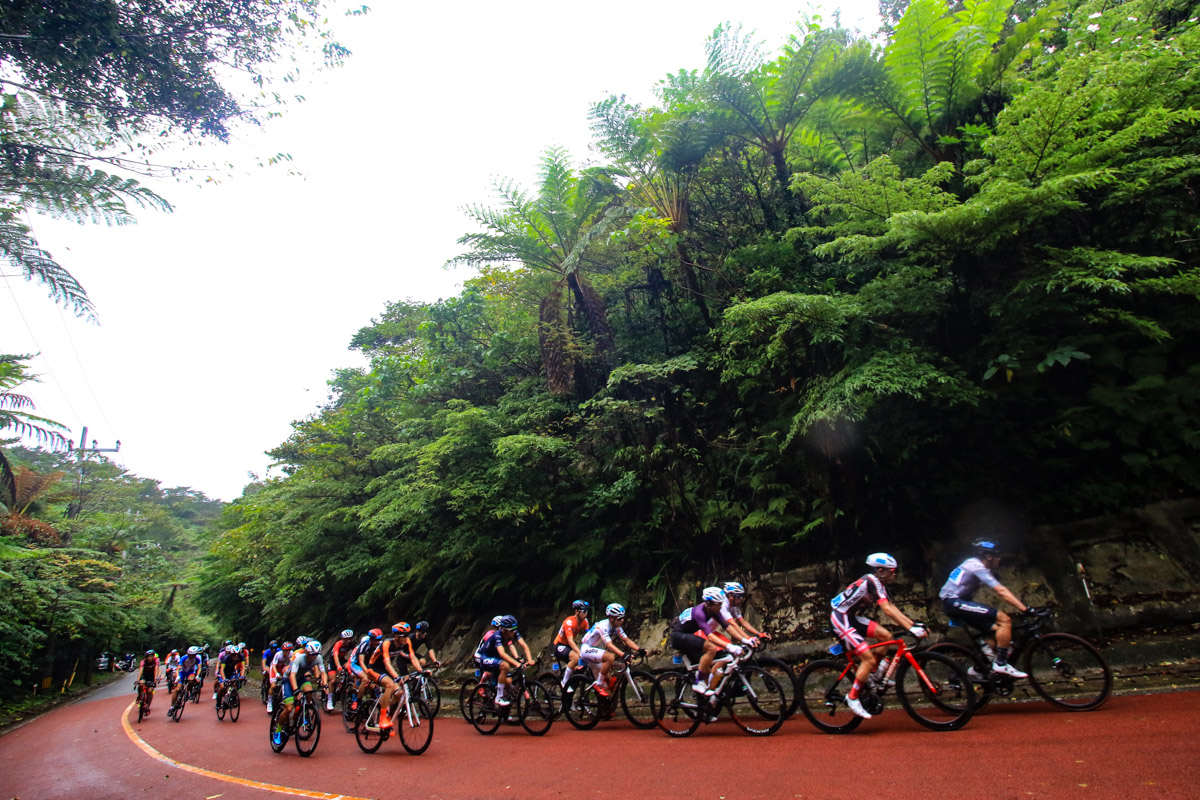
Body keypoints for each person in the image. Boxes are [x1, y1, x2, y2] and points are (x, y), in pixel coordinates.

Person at [830, 553, 928, 719]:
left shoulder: (879, 584)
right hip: (841, 618)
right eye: (891, 571)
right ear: (881, 570)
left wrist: (913, 625)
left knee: (887, 637)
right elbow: (887, 611)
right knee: (867, 658)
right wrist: (911, 628)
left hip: (852, 617)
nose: (894, 574)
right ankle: (852, 697)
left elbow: (891, 606)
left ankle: (875, 674)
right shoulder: (871, 581)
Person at [940, 539, 1030, 679]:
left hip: (956, 602)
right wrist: (1025, 609)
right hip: (953, 602)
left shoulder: (976, 565)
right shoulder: (976, 566)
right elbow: (1001, 591)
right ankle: (1000, 664)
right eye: (997, 556)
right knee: (1004, 620)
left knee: (995, 631)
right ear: (989, 557)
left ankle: (978, 668)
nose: (999, 559)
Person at [668, 586, 756, 696]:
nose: (721, 606)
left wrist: (745, 640)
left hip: (688, 635)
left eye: (721, 603)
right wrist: (730, 646)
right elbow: (709, 636)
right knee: (711, 648)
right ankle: (699, 682)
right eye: (718, 604)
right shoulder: (699, 613)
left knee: (710, 661)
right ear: (709, 604)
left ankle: (708, 693)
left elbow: (727, 627)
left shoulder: (714, 610)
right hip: (678, 636)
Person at [577, 603, 645, 696]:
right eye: (620, 618)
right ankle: (599, 684)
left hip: (598, 652)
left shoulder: (617, 627)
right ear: (612, 618)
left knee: (610, 683)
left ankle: (607, 709)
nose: (622, 620)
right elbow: (609, 645)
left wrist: (640, 649)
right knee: (610, 657)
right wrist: (623, 655)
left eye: (623, 618)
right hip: (587, 649)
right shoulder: (602, 626)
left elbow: (626, 640)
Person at [273, 641, 327, 745]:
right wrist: (296, 690)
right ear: (307, 653)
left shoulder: (318, 658)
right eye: (312, 655)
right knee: (289, 707)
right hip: (288, 680)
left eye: (316, 654)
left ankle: (304, 711)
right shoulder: (299, 659)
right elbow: (292, 676)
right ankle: (278, 730)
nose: (315, 657)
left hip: (301, 678)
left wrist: (325, 685)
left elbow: (323, 672)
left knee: (309, 692)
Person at [473, 615, 532, 707]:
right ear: (504, 630)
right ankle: (498, 697)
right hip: (484, 657)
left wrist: (530, 659)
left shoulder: (512, 632)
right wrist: (516, 663)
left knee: (508, 682)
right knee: (505, 666)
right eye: (512, 630)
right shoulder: (496, 635)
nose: (514, 632)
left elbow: (523, 645)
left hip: (495, 657)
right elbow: (502, 653)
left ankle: (503, 712)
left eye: (515, 629)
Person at [371, 622, 418, 729]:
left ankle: (389, 717)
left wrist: (421, 671)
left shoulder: (406, 642)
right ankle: (382, 718)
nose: (407, 638)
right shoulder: (387, 644)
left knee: (400, 693)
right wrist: (397, 677)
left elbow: (413, 657)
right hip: (374, 668)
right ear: (396, 637)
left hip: (385, 670)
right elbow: (387, 664)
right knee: (389, 685)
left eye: (407, 635)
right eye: (404, 636)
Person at [554, 600, 590, 690]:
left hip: (568, 646)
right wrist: (580, 652)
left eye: (587, 611)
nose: (586, 614)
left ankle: (573, 678)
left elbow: (589, 637)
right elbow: (570, 641)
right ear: (576, 612)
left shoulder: (585, 622)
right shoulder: (569, 622)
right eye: (584, 611)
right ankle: (564, 682)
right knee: (576, 657)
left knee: (583, 661)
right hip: (559, 645)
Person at [325, 629, 356, 711]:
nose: (348, 641)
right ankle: (329, 700)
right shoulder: (338, 644)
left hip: (342, 659)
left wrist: (349, 663)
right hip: (333, 661)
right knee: (333, 681)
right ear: (342, 639)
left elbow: (354, 654)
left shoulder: (351, 644)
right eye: (346, 639)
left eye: (349, 639)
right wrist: (338, 666)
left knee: (351, 673)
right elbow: (335, 656)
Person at [169, 646, 203, 717]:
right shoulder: (184, 657)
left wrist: (197, 676)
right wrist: (177, 677)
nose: (191, 657)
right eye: (190, 655)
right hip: (182, 672)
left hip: (191, 672)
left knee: (191, 681)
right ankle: (171, 707)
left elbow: (199, 668)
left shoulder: (198, 658)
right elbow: (178, 669)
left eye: (193, 655)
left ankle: (187, 690)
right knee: (177, 689)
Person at [266, 641, 295, 713]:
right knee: (273, 686)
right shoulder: (278, 655)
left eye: (289, 650)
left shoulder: (292, 653)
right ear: (283, 650)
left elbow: (292, 663)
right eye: (286, 650)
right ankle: (269, 702)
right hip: (274, 668)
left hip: (282, 666)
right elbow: (274, 665)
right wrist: (276, 673)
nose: (288, 652)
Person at [215, 644, 246, 708]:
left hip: (231, 672)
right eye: (234, 655)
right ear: (230, 654)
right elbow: (221, 670)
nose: (236, 656)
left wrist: (242, 675)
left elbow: (243, 667)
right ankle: (218, 702)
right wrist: (224, 679)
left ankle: (232, 699)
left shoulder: (241, 656)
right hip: (223, 673)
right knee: (222, 687)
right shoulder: (226, 658)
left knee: (233, 684)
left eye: (238, 654)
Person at [135, 650, 159, 715]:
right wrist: (137, 680)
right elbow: (141, 671)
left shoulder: (156, 660)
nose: (149, 658)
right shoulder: (143, 662)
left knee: (150, 691)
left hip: (151, 677)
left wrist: (155, 678)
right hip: (144, 676)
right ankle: (139, 696)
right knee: (141, 685)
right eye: (148, 657)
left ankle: (148, 706)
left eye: (151, 657)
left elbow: (156, 669)